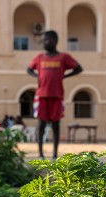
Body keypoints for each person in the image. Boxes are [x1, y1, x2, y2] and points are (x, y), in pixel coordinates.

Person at [27, 30, 83, 160]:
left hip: (57, 96)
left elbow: (79, 68)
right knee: (40, 125)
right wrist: (37, 76)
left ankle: (55, 155)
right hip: (41, 96)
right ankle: (40, 154)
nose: (44, 43)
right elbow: (29, 69)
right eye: (43, 40)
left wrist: (64, 76)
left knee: (55, 126)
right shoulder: (39, 58)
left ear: (55, 41)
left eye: (47, 40)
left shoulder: (63, 57)